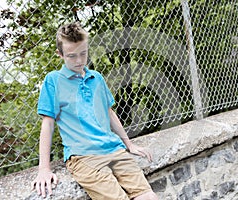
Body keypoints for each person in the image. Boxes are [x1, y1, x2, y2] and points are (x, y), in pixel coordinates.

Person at [31, 22, 158, 200]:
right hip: (84, 157)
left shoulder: (96, 78)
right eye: (71, 56)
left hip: (115, 149)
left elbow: (109, 113)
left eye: (83, 53)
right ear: (60, 55)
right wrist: (44, 168)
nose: (79, 61)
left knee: (148, 196)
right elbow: (48, 124)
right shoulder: (53, 81)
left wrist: (129, 144)